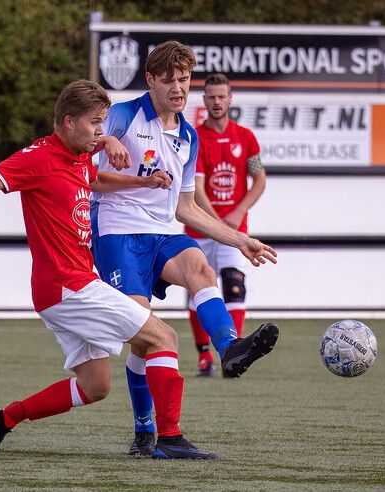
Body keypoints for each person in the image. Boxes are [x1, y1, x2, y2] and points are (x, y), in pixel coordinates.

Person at [0, 79, 217, 460]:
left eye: (104, 122)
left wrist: (142, 180)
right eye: (95, 123)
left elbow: (96, 179)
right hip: (70, 287)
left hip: (62, 290)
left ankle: (0, 420)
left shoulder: (78, 154)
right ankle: (169, 439)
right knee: (163, 337)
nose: (101, 131)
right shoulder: (37, 157)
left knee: (94, 386)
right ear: (68, 121)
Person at [91, 41, 280, 457]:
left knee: (201, 270)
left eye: (185, 79)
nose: (179, 87)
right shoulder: (123, 115)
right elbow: (85, 164)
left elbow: (185, 208)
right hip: (117, 235)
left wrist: (240, 239)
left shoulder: (188, 136)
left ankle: (229, 347)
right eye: (170, 80)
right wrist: (105, 144)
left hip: (162, 231)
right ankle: (145, 431)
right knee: (144, 335)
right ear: (151, 80)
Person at [184, 73, 267, 377]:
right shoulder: (194, 137)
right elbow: (198, 187)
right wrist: (216, 224)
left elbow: (259, 180)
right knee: (198, 288)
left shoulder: (245, 138)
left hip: (235, 229)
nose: (216, 102)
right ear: (204, 100)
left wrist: (239, 212)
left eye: (222, 96)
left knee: (234, 284)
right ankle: (204, 355)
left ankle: (235, 353)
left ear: (231, 98)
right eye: (211, 97)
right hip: (199, 228)